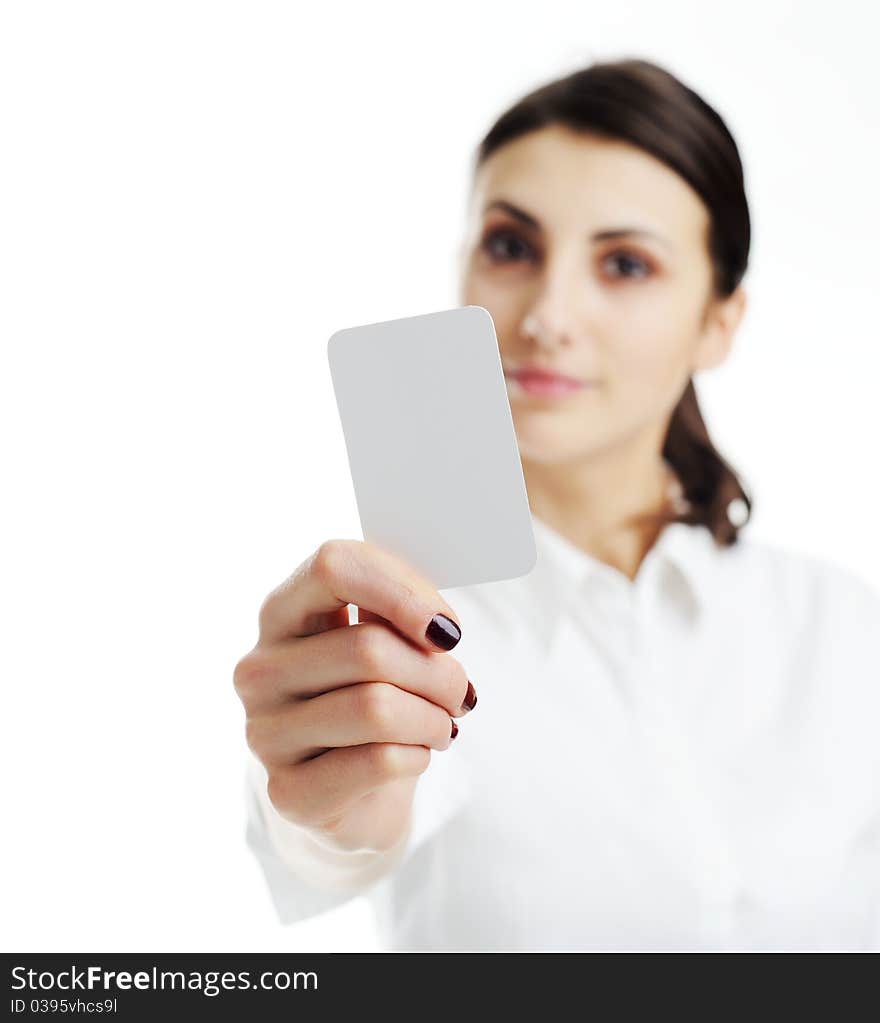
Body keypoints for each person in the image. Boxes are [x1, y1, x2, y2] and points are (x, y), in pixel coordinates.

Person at [233, 58, 880, 951]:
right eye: (511, 245)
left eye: (624, 262)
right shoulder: (398, 634)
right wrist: (332, 794)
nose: (547, 314)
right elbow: (334, 840)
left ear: (717, 323)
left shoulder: (843, 629)